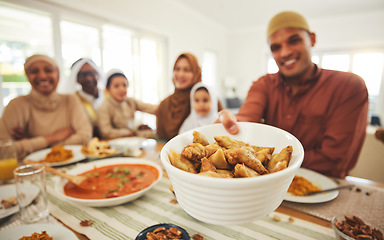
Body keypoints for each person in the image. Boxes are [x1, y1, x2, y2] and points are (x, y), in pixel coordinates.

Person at [216, 11, 369, 178]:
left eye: (293, 41)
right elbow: (246, 119)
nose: (284, 53)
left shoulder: (348, 87)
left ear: (312, 39)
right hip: (268, 188)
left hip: (324, 188)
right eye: (276, 48)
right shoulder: (264, 84)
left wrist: (274, 161)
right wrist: (232, 126)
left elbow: (336, 160)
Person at [0, 54, 92, 160]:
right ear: (28, 76)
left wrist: (31, 143)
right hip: (32, 170)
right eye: (34, 71)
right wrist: (51, 138)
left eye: (48, 70)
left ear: (58, 74)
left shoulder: (70, 100)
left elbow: (84, 137)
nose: (43, 76)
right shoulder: (16, 106)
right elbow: (4, 151)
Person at [156, 53, 223, 141]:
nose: (180, 74)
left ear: (196, 73)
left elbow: (222, 129)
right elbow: (160, 140)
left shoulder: (210, 98)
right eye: (177, 69)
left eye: (186, 70)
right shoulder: (164, 105)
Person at [97, 69, 158, 139]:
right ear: (107, 89)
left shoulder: (130, 101)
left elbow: (149, 108)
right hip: (113, 144)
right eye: (116, 86)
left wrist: (167, 107)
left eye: (124, 85)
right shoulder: (104, 107)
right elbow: (106, 132)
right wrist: (129, 132)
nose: (122, 89)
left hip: (131, 140)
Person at [68, 58, 105, 137]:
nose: (88, 78)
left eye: (91, 73)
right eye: (83, 75)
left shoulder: (110, 94)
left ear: (98, 74)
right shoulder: (73, 100)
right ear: (76, 79)